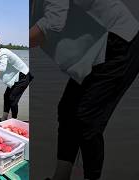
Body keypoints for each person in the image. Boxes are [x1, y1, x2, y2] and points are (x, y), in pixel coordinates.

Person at [30, 0, 139, 180]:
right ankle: (61, 177)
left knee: (86, 118)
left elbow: (53, 22)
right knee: (67, 110)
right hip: (93, 50)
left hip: (118, 40)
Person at [0, 36, 32, 123]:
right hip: (15, 78)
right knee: (6, 96)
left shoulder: (3, 53)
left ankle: (14, 121)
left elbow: (2, 68)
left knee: (12, 99)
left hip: (24, 76)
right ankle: (4, 118)